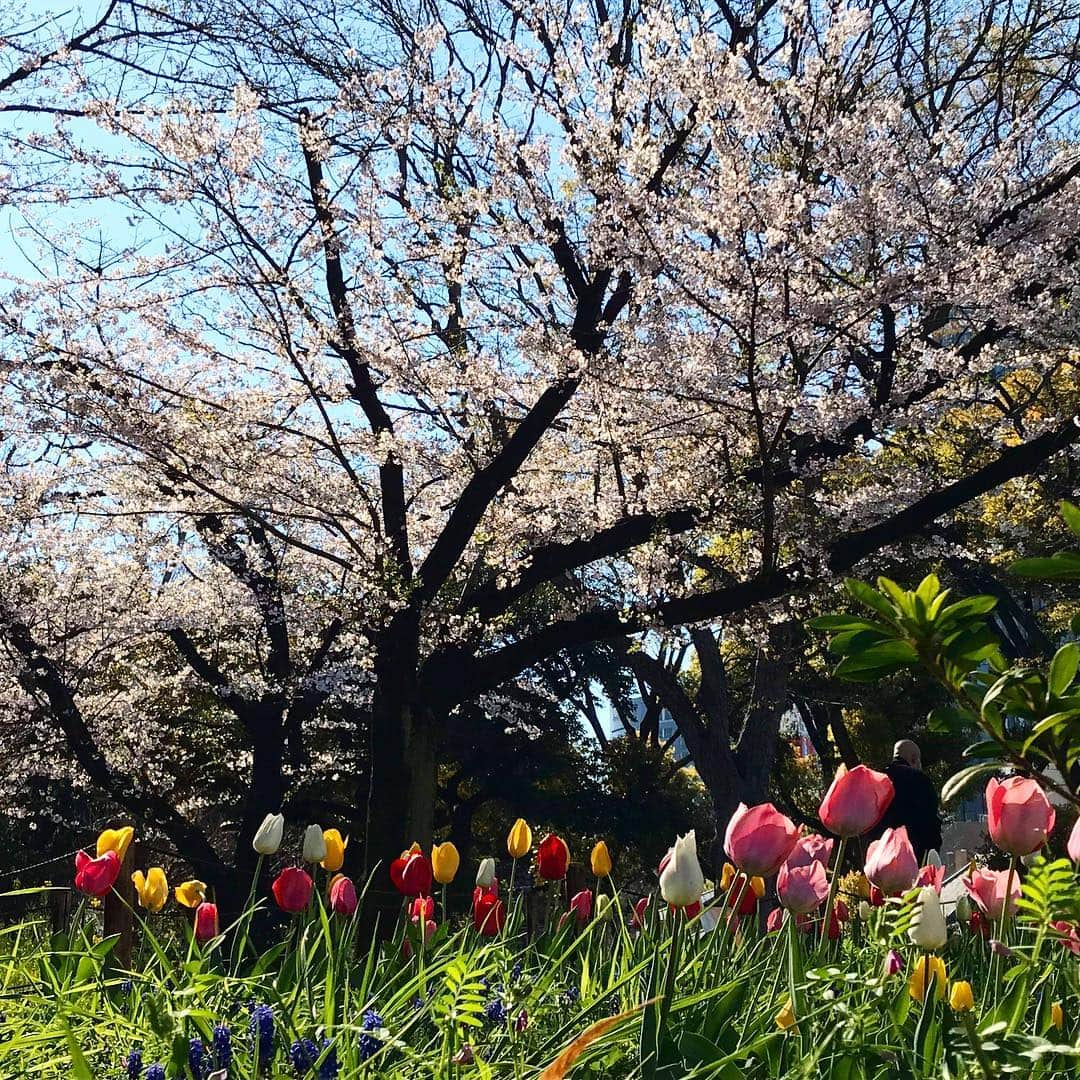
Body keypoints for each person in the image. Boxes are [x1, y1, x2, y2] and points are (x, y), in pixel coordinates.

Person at [869, 740, 943, 863]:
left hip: (878, 857)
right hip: (912, 856)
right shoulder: (919, 780)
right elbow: (930, 820)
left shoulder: (877, 779)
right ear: (914, 759)